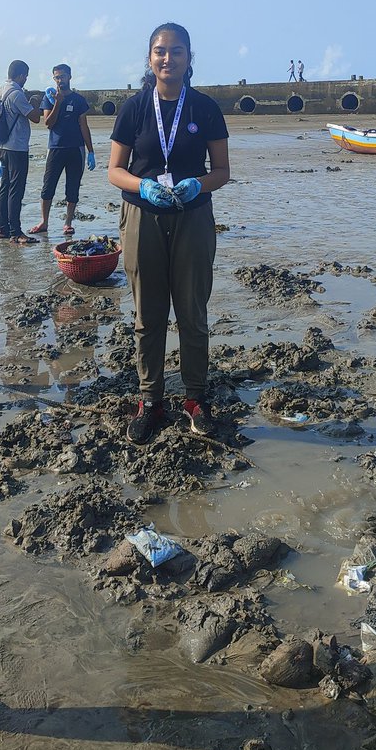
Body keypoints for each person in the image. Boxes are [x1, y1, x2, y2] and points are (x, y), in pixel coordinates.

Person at [109, 22, 230, 444]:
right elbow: (114, 170)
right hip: (142, 215)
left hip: (193, 216)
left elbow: (222, 172)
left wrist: (198, 183)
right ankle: (151, 399)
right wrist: (141, 185)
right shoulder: (134, 109)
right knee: (148, 314)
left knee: (193, 310)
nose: (167, 58)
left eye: (176, 51)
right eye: (160, 51)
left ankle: (195, 398)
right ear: (149, 58)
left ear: (188, 59)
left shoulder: (205, 108)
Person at [29, 64, 95, 236]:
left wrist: (91, 151)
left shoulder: (79, 100)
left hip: (76, 148)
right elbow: (48, 123)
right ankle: (44, 221)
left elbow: (84, 126)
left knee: (73, 187)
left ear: (69, 77)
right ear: (54, 79)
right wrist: (57, 103)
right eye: (57, 77)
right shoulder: (49, 98)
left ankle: (68, 223)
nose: (60, 80)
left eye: (63, 76)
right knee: (48, 185)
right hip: (56, 147)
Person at [0, 60, 41, 244]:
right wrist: (35, 102)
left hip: (2, 146)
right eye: (26, 76)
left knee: (5, 187)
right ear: (21, 75)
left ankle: (3, 228)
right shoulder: (16, 95)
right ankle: (16, 232)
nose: (26, 80)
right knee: (16, 189)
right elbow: (35, 117)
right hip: (17, 147)